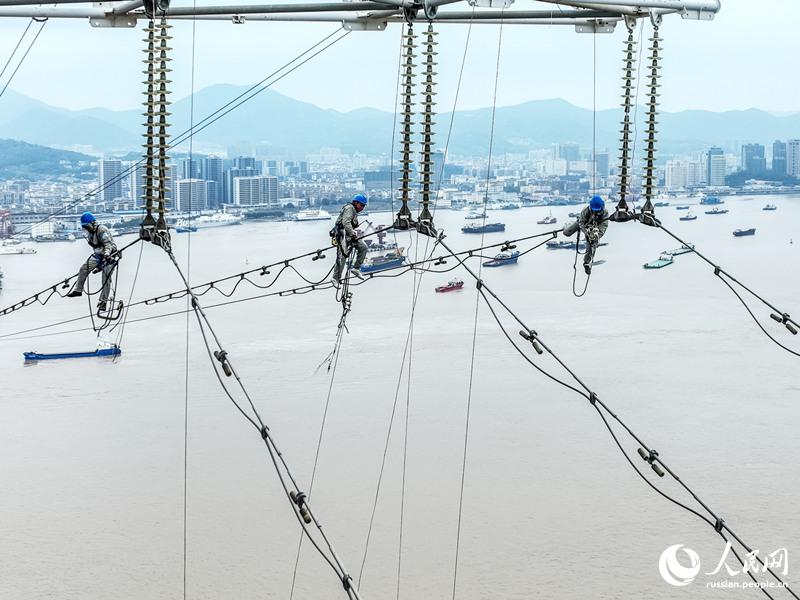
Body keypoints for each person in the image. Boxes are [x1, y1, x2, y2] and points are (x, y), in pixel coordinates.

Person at [66, 212, 118, 311]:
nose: (86, 228)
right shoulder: (90, 233)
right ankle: (78, 290)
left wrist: (107, 255)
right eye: (84, 227)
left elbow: (108, 244)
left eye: (87, 226)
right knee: (83, 269)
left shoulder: (102, 230)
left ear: (92, 223)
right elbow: (96, 246)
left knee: (106, 278)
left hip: (110, 255)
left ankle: (103, 302)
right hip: (98, 255)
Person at [332, 194, 368, 284]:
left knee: (363, 247)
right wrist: (352, 233)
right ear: (356, 203)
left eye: (364, 206)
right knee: (343, 256)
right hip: (342, 235)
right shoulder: (349, 208)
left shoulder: (354, 211)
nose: (362, 208)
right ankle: (335, 278)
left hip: (348, 235)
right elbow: (345, 222)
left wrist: (352, 233)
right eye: (361, 205)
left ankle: (356, 268)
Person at [578, 195, 609, 275]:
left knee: (594, 244)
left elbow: (604, 225)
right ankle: (586, 263)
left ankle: (589, 258)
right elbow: (581, 223)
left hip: (597, 229)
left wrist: (598, 235)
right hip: (588, 227)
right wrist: (587, 233)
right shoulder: (586, 211)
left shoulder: (605, 212)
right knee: (589, 246)